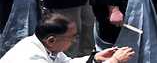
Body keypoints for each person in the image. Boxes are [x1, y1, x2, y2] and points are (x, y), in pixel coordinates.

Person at [0, 13, 134, 63]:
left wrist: (95, 58)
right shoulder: (30, 57)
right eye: (72, 37)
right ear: (51, 40)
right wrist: (114, 61)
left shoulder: (47, 47)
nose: (74, 41)